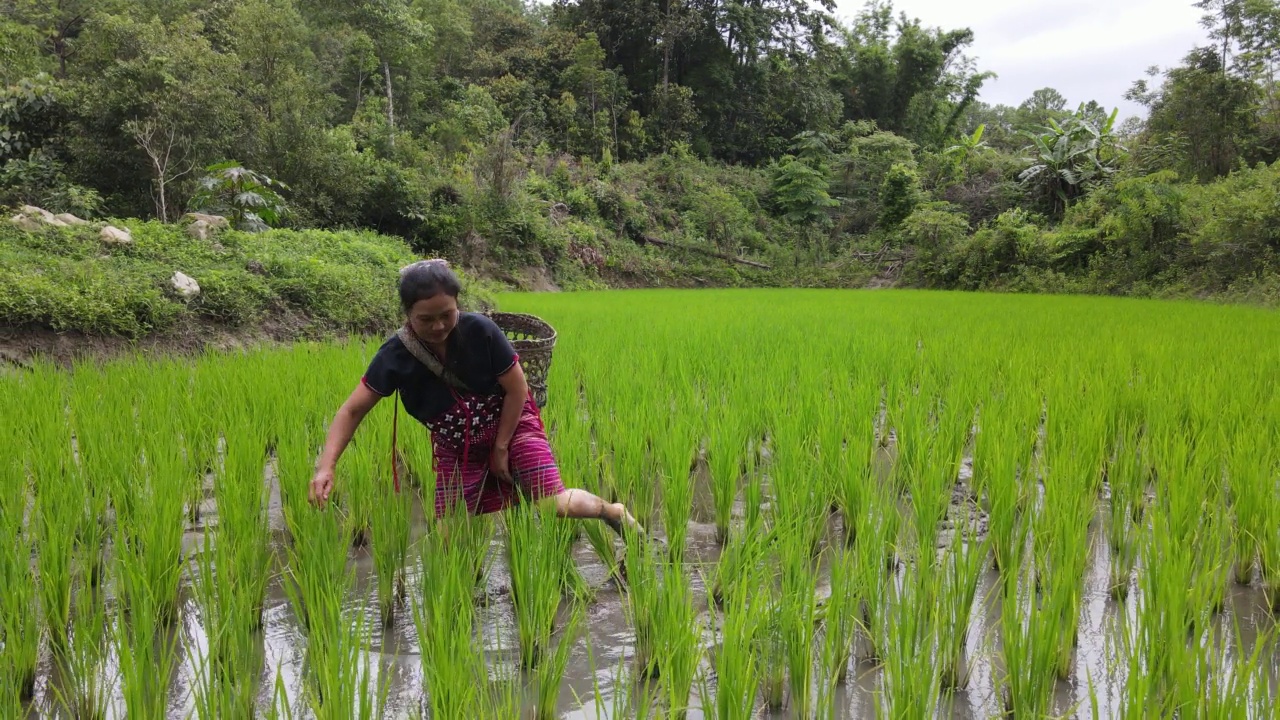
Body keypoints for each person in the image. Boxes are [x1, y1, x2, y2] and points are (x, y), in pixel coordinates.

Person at [308, 259, 641, 536]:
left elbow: (517, 389)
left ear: (458, 305)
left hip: (513, 422)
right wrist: (327, 466)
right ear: (407, 314)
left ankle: (611, 511)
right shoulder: (395, 356)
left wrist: (501, 448)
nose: (439, 326)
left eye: (447, 314)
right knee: (447, 531)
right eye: (426, 319)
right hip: (458, 442)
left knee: (551, 503)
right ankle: (458, 601)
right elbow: (352, 410)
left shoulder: (480, 331)